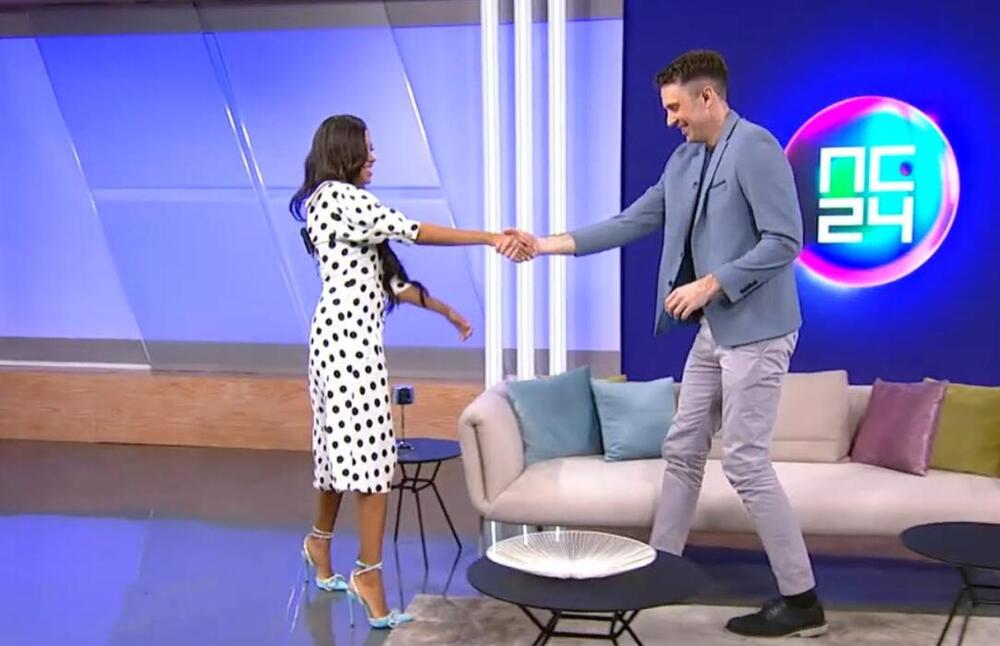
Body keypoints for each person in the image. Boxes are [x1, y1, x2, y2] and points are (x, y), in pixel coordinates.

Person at [509, 50, 826, 638]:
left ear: (708, 97)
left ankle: (802, 599)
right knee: (682, 448)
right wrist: (543, 245)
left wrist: (711, 283)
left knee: (745, 461)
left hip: (758, 332)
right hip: (716, 330)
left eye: (676, 107)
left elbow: (785, 240)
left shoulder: (755, 148)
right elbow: (630, 222)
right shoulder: (684, 161)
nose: (670, 119)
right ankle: (658, 574)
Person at [289, 114, 527, 630]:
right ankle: (368, 574)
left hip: (338, 341)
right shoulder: (340, 198)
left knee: (337, 453)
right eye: (367, 148)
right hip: (348, 347)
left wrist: (447, 311)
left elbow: (393, 284)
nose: (374, 157)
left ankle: (319, 544)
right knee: (374, 461)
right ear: (345, 151)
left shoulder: (338, 206)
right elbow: (414, 230)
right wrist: (490, 237)